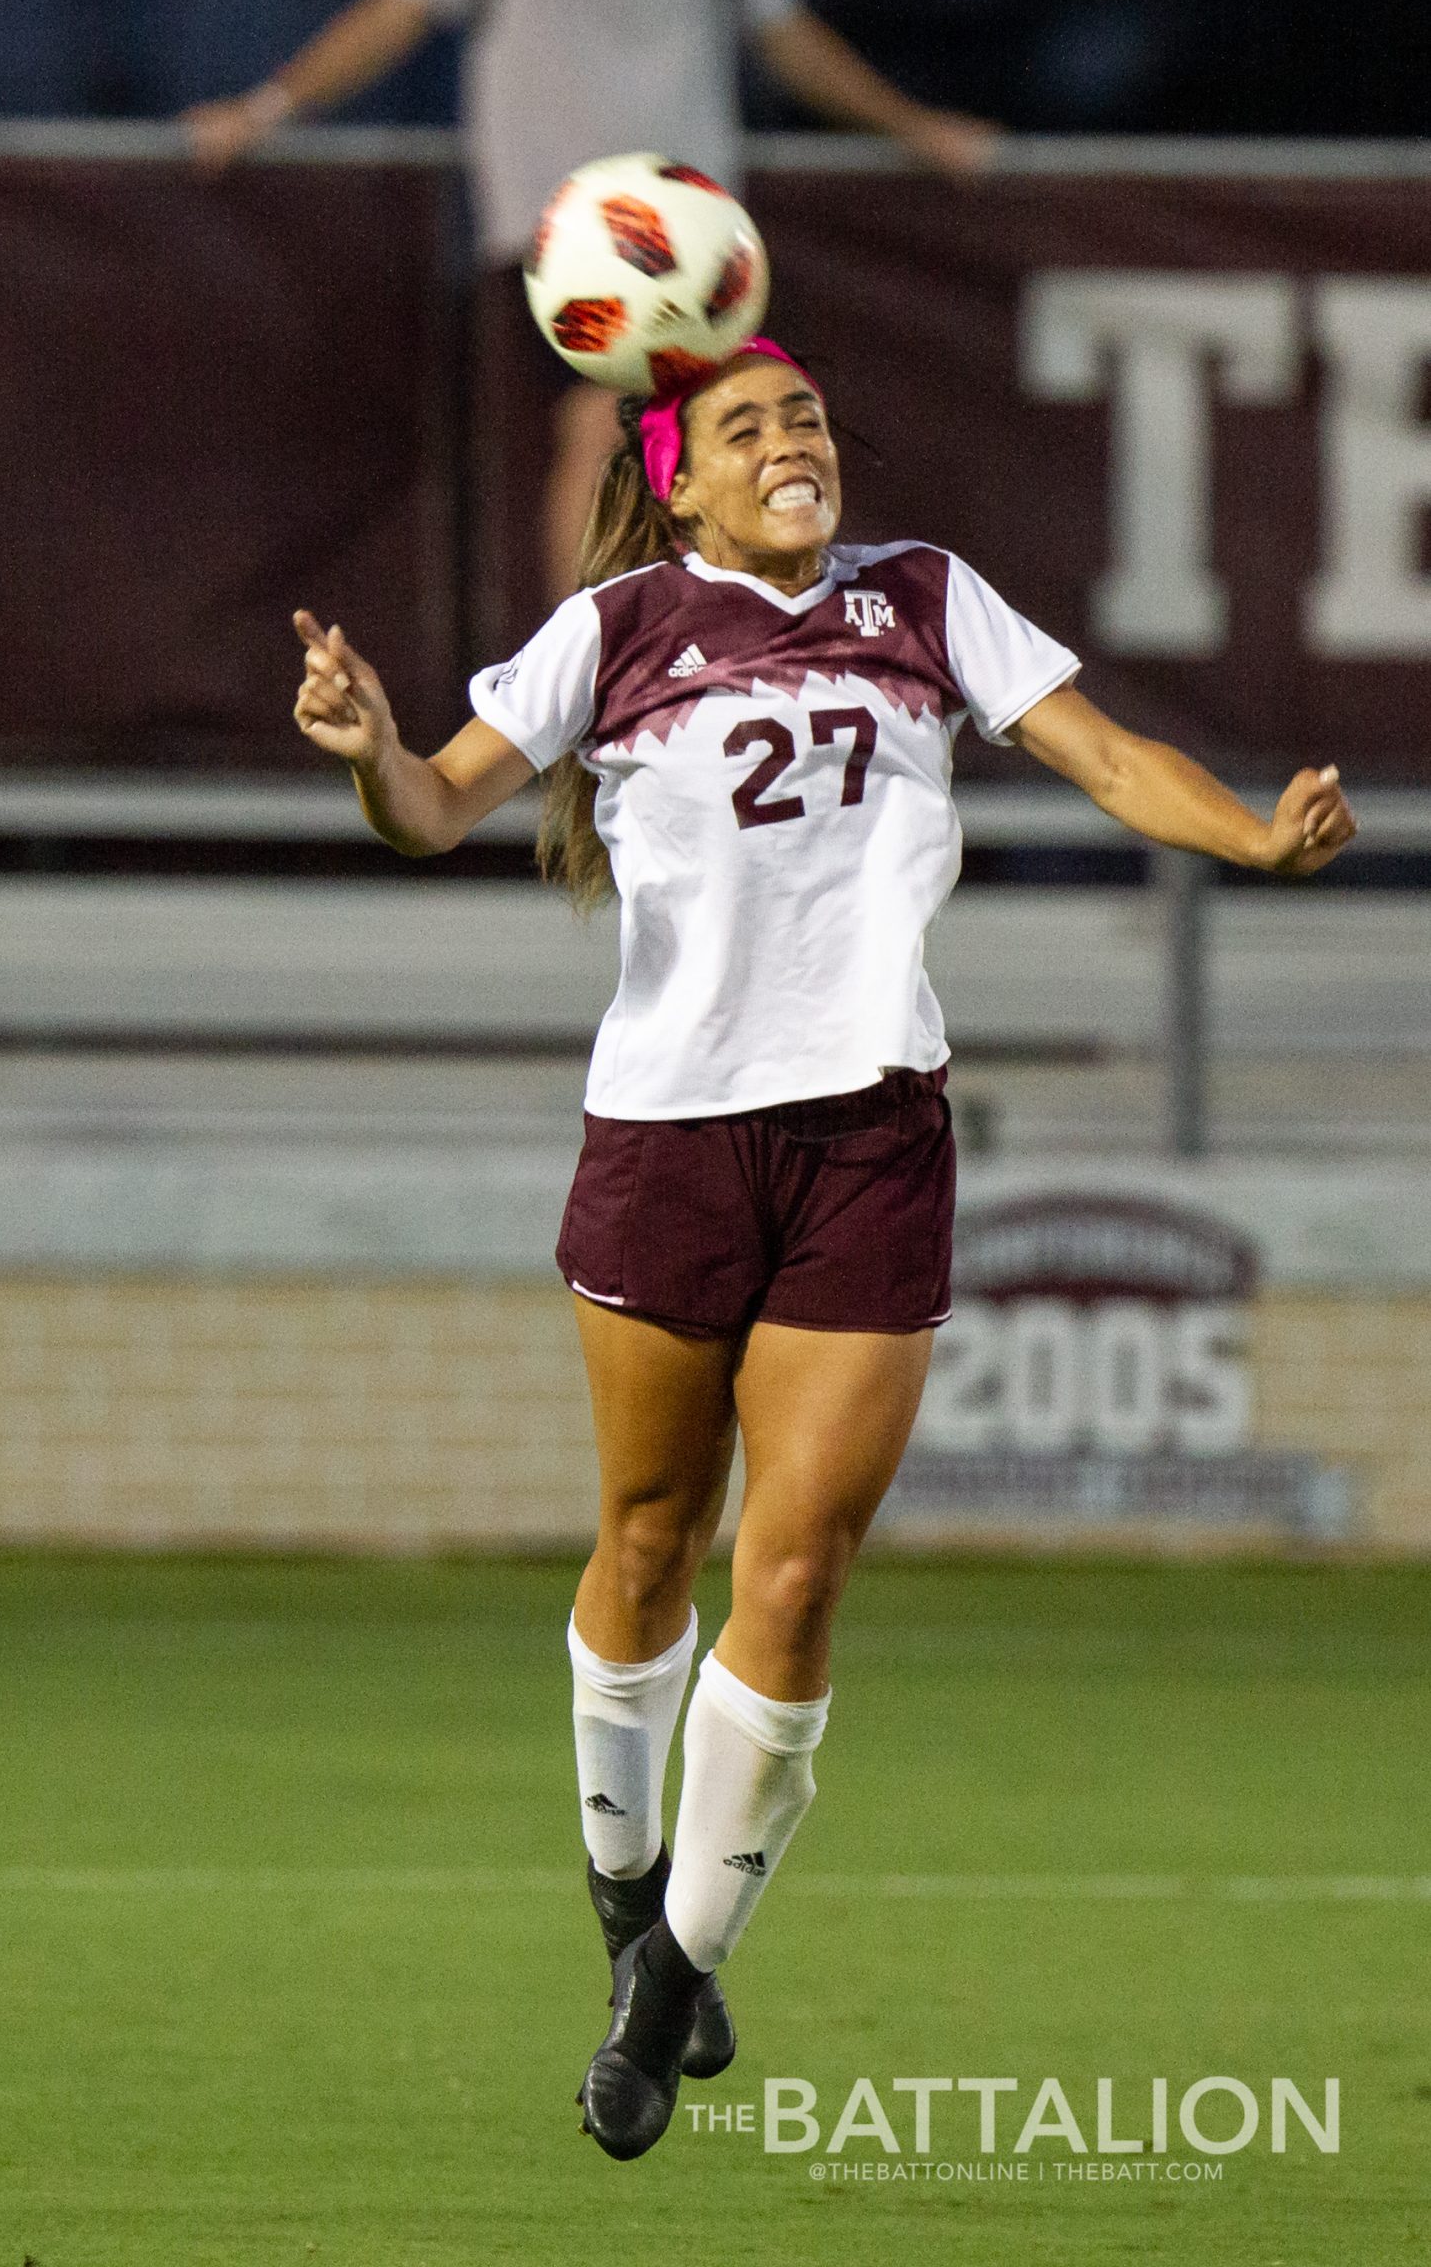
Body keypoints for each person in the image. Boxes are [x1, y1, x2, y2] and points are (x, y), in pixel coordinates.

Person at [289, 340, 1356, 2162]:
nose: (790, 445)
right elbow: (441, 802)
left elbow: (1106, 755)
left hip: (870, 1134)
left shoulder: (926, 598)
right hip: (668, 1138)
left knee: (791, 1580)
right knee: (646, 1541)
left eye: (805, 421)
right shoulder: (615, 627)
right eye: (745, 430)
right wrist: (373, 748)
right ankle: (628, 1890)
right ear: (680, 483)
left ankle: (662, 1982)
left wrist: (1250, 836)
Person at [185, 0, 997, 628]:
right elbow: (393, 15)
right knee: (600, 430)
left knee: (721, 442)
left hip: (701, 261)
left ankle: (707, 652)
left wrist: (916, 128)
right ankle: (587, 665)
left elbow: (789, 40)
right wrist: (265, 108)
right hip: (566, 247)